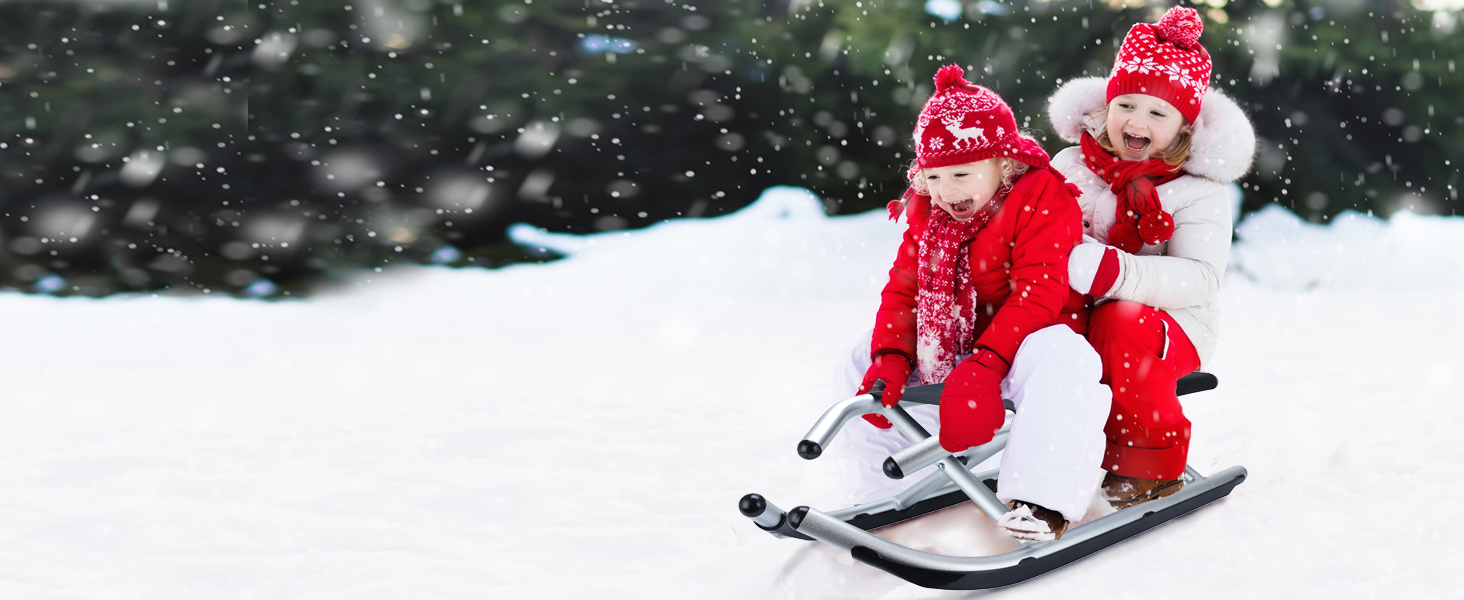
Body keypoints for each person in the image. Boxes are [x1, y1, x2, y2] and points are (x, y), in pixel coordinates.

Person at [832, 65, 1110, 541]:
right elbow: (903, 294)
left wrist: (986, 365)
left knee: (1067, 357)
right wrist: (890, 359)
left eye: (962, 173)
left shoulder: (1041, 196)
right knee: (859, 356)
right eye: (934, 176)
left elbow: (1039, 293)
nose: (947, 190)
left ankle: (1042, 500)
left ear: (1003, 162)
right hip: (960, 343)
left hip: (1026, 340)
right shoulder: (927, 213)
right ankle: (882, 487)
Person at [1045, 6, 1256, 508]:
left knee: (1120, 319)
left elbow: (1202, 278)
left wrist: (1114, 271)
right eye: (1126, 105)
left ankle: (1147, 465)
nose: (1136, 122)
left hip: (1169, 328)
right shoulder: (1071, 164)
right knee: (1038, 326)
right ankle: (1043, 451)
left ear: (1184, 128)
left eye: (1158, 114)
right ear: (1106, 106)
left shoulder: (1197, 191)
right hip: (1078, 310)